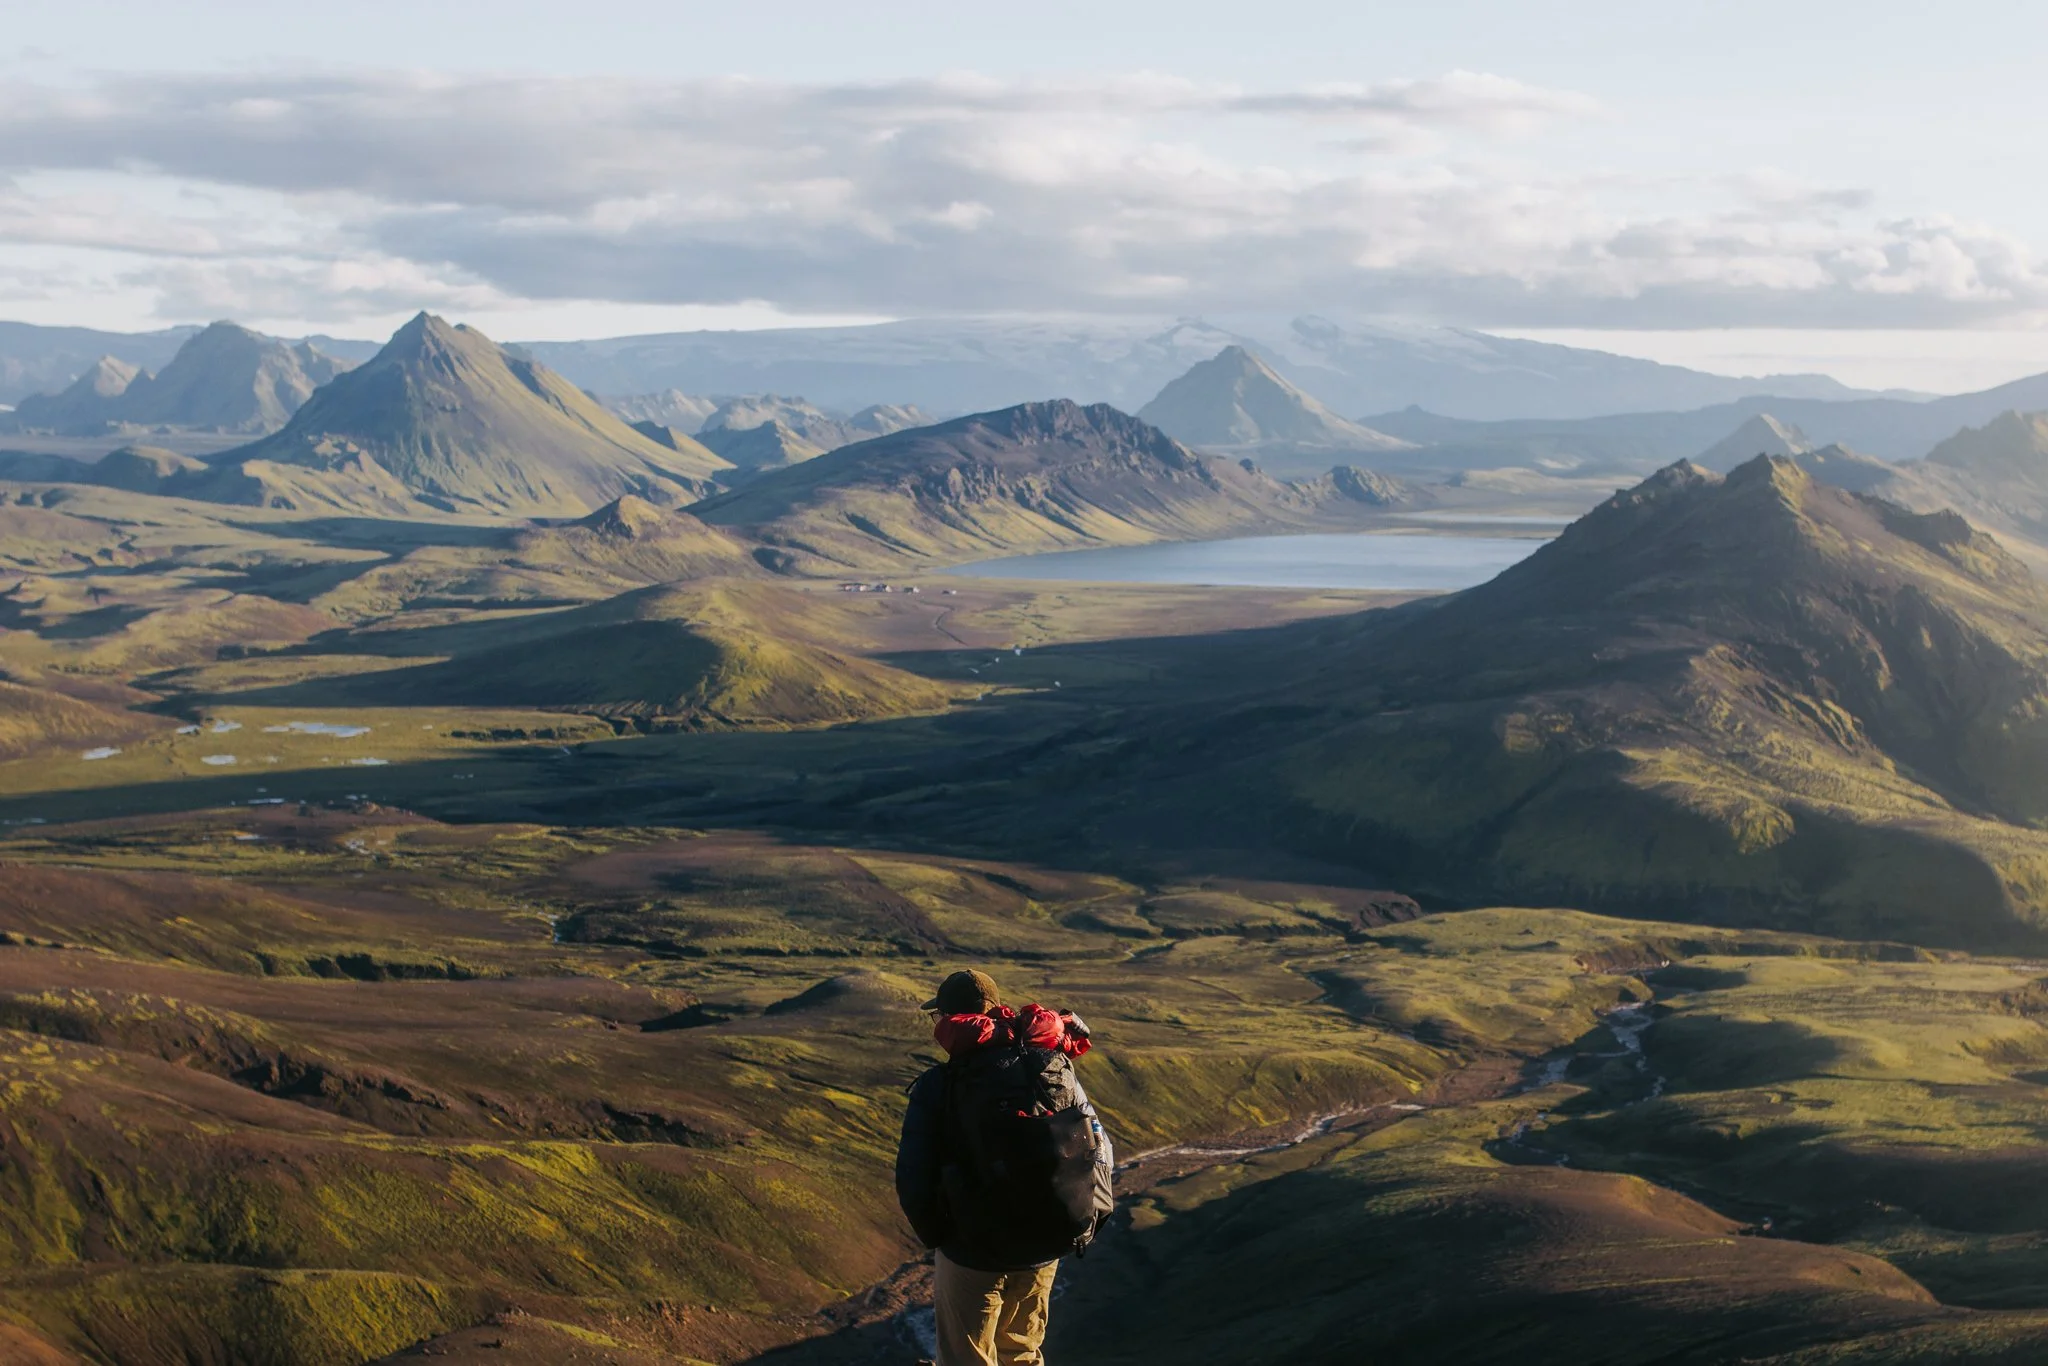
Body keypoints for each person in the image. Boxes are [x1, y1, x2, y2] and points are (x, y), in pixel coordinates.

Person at [896, 969, 1115, 1366]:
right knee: (1022, 1353)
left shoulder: (939, 1084)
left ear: (950, 1019)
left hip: (972, 1252)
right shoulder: (1052, 1067)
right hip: (1045, 1242)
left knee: (967, 1359)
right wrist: (1086, 1219)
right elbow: (1097, 1146)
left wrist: (942, 1238)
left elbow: (913, 1177)